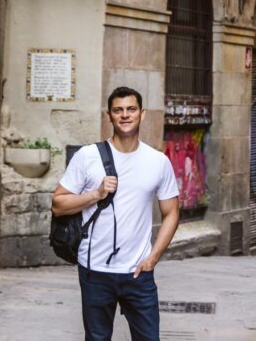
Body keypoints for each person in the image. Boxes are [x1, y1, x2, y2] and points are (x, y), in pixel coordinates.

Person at [51, 86, 180, 341]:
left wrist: (153, 258)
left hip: (139, 272)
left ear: (141, 114)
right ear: (108, 116)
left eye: (131, 109)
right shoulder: (87, 157)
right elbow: (58, 204)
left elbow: (172, 212)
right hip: (95, 270)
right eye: (118, 110)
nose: (125, 115)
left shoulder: (158, 162)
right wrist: (95, 194)